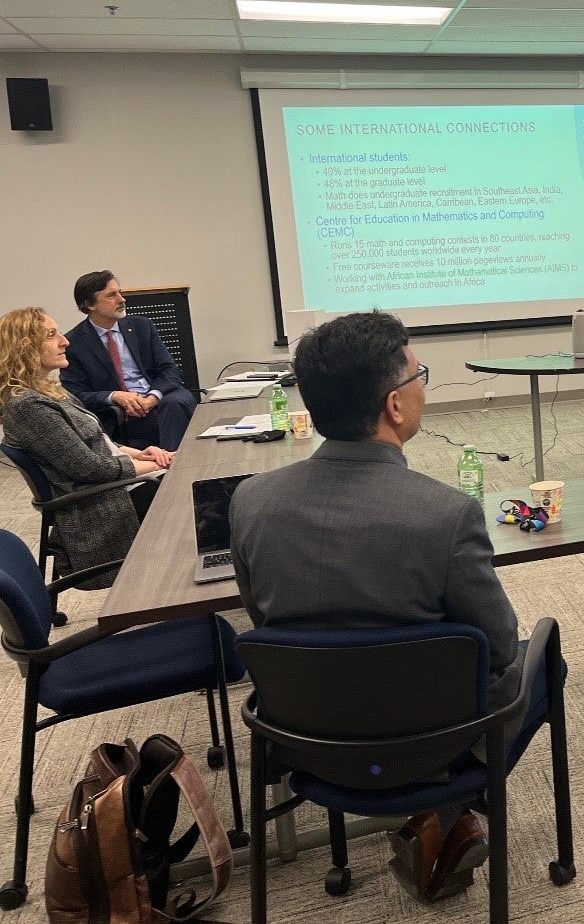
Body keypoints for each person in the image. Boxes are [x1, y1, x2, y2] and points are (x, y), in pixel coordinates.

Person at [229, 311, 525, 902]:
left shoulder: (249, 501)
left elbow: (263, 620)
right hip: (428, 742)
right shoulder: (446, 513)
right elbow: (497, 641)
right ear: (394, 405)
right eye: (420, 375)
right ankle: (450, 807)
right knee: (539, 660)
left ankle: (444, 817)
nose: (423, 388)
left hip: (304, 735)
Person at [0, 307, 172, 587]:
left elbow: (96, 442)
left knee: (192, 484)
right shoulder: (27, 406)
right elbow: (90, 468)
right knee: (193, 495)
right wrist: (158, 465)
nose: (64, 341)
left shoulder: (49, 392)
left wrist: (142, 453)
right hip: (98, 501)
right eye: (51, 335)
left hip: (115, 484)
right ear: (25, 347)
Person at [61, 271, 197, 451]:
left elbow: (170, 370)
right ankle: (174, 464)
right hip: (121, 410)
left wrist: (152, 397)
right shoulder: (74, 343)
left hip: (161, 397)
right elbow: (75, 393)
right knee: (159, 421)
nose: (122, 299)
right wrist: (115, 396)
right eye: (111, 295)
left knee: (174, 404)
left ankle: (170, 463)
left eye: (119, 292)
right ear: (89, 304)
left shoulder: (142, 326)